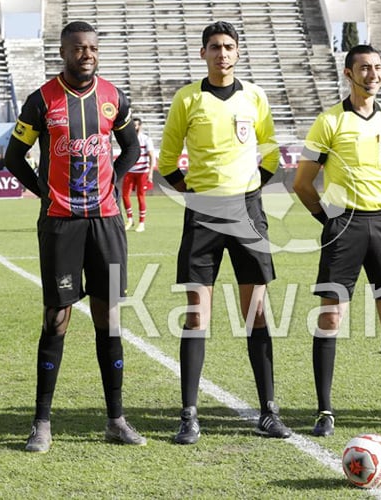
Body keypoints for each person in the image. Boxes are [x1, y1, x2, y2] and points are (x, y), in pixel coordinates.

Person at [4, 21, 144, 453]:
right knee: (57, 318)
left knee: (109, 318)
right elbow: (13, 156)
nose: (87, 54)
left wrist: (114, 183)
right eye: (79, 48)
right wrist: (44, 190)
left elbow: (132, 148)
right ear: (64, 52)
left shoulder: (112, 97)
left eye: (93, 48)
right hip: (61, 223)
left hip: (106, 222)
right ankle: (41, 423)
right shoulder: (42, 100)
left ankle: (116, 420)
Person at [158, 21, 291, 445]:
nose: (222, 53)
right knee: (197, 314)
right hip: (203, 214)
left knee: (257, 313)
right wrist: (198, 197)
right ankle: (189, 415)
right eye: (214, 47)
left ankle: (269, 411)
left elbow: (270, 153)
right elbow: (165, 165)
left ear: (237, 53)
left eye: (229, 46)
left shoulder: (255, 96)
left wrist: (248, 191)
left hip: (248, 210)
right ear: (204, 54)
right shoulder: (187, 98)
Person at [294, 44, 381, 437]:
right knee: (331, 316)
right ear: (348, 73)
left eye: (378, 67)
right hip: (343, 227)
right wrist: (329, 220)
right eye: (364, 68)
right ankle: (325, 412)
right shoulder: (329, 121)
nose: (373, 74)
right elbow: (301, 182)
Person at [121, 117, 156, 232]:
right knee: (125, 195)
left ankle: (142, 223)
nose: (134, 127)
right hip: (130, 171)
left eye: (136, 125)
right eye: (133, 125)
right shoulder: (128, 139)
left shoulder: (146, 139)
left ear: (140, 126)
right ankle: (130, 219)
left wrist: (150, 172)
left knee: (141, 197)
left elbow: (152, 156)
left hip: (142, 172)